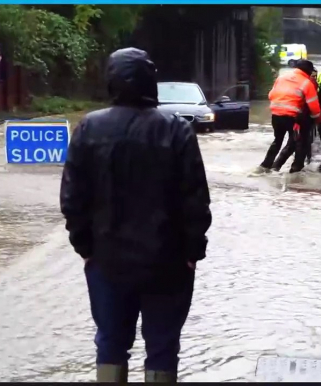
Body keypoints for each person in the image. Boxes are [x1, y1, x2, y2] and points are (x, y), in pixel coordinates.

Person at [60, 48, 212, 383]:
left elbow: (73, 200)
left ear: (111, 80)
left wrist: (87, 249)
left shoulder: (89, 128)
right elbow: (195, 201)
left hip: (108, 261)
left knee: (111, 343)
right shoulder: (176, 130)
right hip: (168, 263)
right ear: (151, 81)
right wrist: (191, 254)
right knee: (162, 346)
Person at [260, 59, 321, 173]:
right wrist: (318, 117)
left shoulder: (281, 78)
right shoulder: (306, 82)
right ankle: (295, 170)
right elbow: (314, 106)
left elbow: (271, 95)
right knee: (299, 142)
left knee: (277, 140)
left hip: (276, 114)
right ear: (308, 71)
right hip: (292, 117)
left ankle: (265, 166)